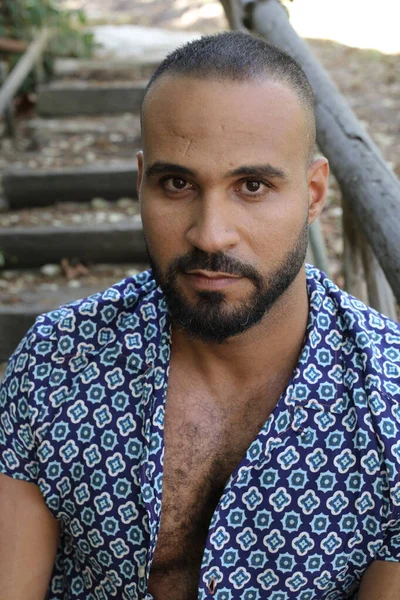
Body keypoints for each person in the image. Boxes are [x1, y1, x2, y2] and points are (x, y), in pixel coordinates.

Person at [0, 31, 399, 600]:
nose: (210, 233)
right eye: (177, 183)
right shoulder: (57, 366)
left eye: (253, 185)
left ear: (313, 194)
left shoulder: (390, 405)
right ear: (141, 183)